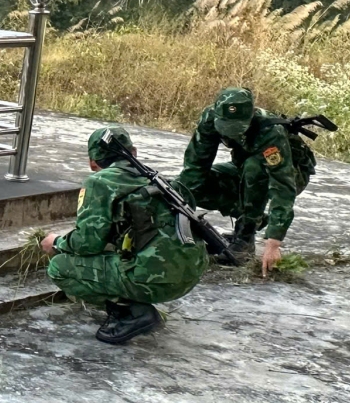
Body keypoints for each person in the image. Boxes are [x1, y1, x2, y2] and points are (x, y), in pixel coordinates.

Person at [41, 126, 209, 344]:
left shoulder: (99, 182)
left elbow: (87, 243)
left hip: (155, 280)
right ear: (134, 152)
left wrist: (57, 242)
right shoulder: (160, 180)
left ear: (93, 163)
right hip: (192, 273)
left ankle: (134, 313)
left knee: (60, 267)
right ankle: (134, 302)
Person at [176, 87, 312, 275]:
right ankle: (253, 217)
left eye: (237, 128)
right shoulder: (210, 118)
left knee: (254, 168)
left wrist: (273, 242)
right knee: (184, 187)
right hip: (244, 170)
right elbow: (195, 167)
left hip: (290, 174)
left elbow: (283, 187)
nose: (231, 134)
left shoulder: (270, 131)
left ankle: (246, 236)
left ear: (250, 116)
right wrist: (179, 206)